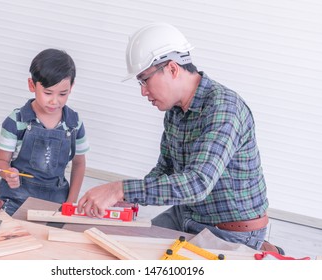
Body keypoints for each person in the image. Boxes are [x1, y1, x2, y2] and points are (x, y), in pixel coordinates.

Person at [77, 22, 280, 252]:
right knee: (123, 247)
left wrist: (119, 189)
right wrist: (130, 199)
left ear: (173, 69)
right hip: (188, 215)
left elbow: (197, 184)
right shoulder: (174, 112)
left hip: (230, 230)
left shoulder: (224, 108)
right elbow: (166, 169)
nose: (143, 91)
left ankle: (262, 250)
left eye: (145, 80)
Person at [0, 48, 89, 216]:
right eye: (47, 93)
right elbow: (1, 161)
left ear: (71, 87)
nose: (54, 101)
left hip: (57, 199)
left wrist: (70, 202)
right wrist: (8, 173)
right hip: (17, 197)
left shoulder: (74, 124)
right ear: (32, 85)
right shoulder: (16, 121)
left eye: (62, 94)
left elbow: (79, 163)